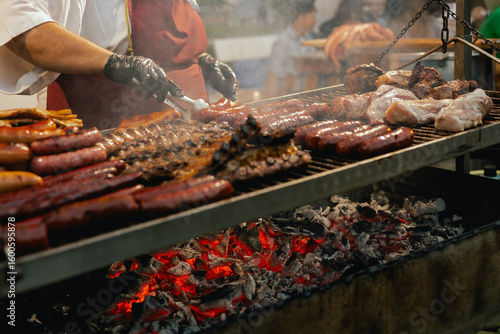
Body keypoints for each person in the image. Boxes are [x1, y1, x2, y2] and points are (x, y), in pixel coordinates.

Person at [0, 0, 239, 129]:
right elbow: (21, 27)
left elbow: (163, 32)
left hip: (196, 128)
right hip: (104, 124)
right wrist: (115, 63)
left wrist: (202, 60)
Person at [267, 0, 317, 96]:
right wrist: (296, 70)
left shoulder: (308, 39)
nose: (315, 21)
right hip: (287, 94)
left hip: (307, 92)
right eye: (312, 17)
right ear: (301, 18)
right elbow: (273, 70)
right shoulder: (283, 41)